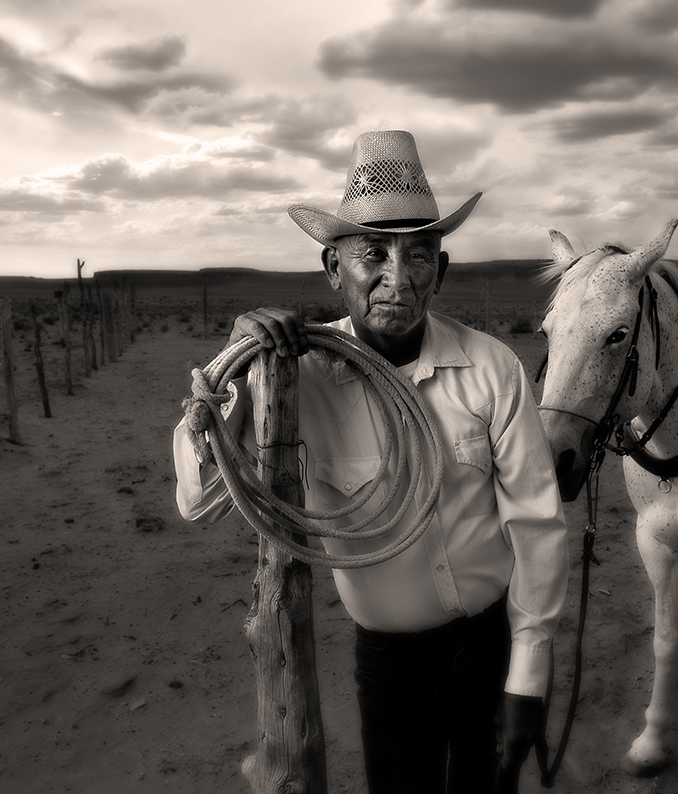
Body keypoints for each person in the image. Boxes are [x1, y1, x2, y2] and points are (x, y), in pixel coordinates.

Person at [172, 130, 569, 793]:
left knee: (485, 783)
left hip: (489, 641)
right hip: (390, 659)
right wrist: (229, 373)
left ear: (440, 271)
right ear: (334, 268)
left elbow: (535, 524)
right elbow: (200, 496)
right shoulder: (293, 371)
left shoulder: (491, 367)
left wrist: (528, 676)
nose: (397, 277)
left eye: (419, 255)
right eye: (372, 254)